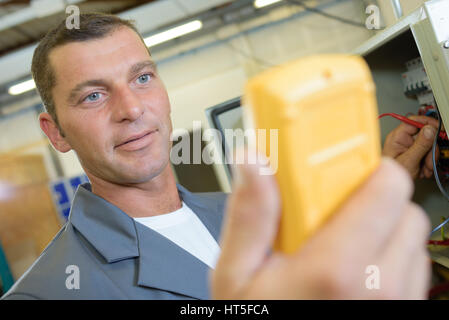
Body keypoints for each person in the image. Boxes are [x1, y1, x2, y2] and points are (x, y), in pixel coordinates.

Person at [0, 12, 440, 300]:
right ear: (56, 132)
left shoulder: (246, 213)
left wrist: (386, 181)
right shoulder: (48, 293)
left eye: (142, 78)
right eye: (94, 95)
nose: (132, 109)